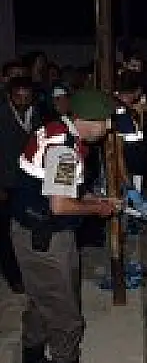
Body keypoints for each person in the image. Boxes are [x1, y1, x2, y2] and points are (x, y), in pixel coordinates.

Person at [9, 89, 121, 363]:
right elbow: (59, 205)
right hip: (45, 238)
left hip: (35, 231)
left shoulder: (57, 129)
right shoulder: (64, 150)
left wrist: (91, 198)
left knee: (42, 299)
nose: (108, 127)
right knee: (66, 317)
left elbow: (55, 188)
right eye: (105, 121)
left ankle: (32, 354)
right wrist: (99, 208)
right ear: (87, 120)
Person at [0, 77, 41, 294]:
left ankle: (29, 272)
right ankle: (13, 276)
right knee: (5, 234)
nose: (23, 101)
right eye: (18, 97)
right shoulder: (3, 116)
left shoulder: (37, 115)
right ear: (10, 96)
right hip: (5, 184)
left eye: (27, 97)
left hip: (29, 183)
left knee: (27, 229)